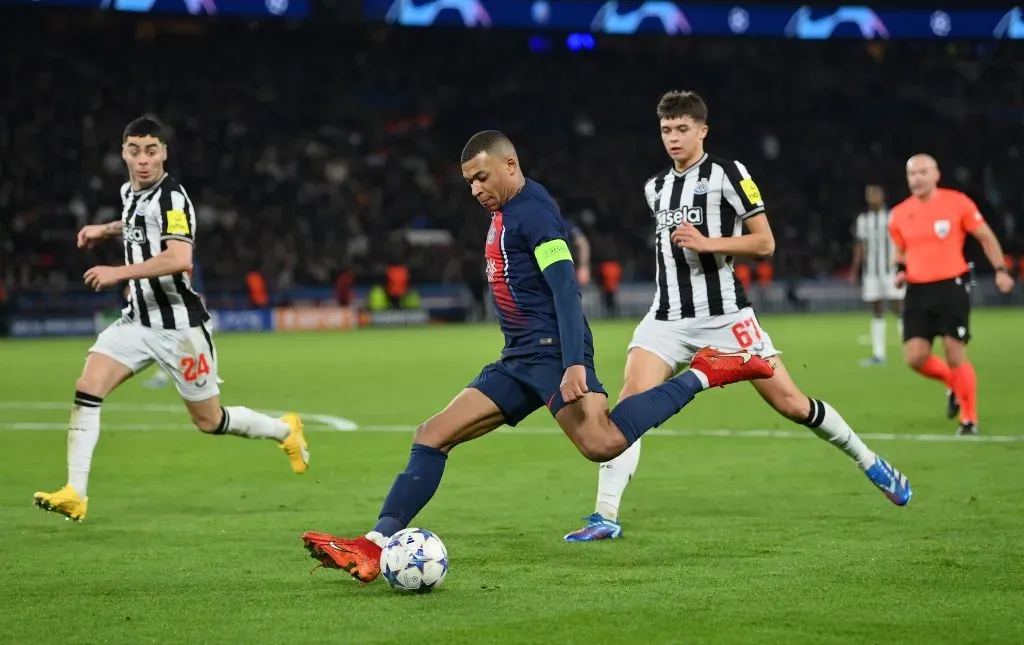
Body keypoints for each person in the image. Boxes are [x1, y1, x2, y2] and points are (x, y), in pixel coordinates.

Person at [300, 130, 774, 582]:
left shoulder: (534, 214)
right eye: (469, 181)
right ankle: (374, 543)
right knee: (432, 434)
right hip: (518, 358)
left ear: (510, 165)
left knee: (603, 444)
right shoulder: (505, 214)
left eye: (482, 177)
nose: (475, 189)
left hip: (552, 353)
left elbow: (566, 289)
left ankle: (706, 372)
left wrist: (573, 363)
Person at [564, 91, 913, 543]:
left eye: (682, 129)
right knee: (630, 406)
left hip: (727, 316)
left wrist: (709, 243)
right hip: (666, 317)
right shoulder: (656, 188)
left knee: (792, 404)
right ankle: (604, 515)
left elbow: (765, 243)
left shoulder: (730, 174)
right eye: (667, 130)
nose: (673, 138)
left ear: (702, 130)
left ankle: (869, 461)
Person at [33, 116, 309, 523]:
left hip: (180, 330)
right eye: (135, 150)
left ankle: (285, 430)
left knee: (209, 421)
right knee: (88, 387)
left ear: (164, 153)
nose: (143, 159)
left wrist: (116, 271)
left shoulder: (173, 199)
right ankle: (76, 492)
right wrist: (104, 230)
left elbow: (179, 258)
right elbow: (134, 222)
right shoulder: (130, 191)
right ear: (123, 152)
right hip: (137, 321)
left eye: (151, 150)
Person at [889, 154, 1015, 436]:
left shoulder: (957, 202)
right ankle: (954, 385)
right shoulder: (899, 214)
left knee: (955, 353)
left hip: (951, 286)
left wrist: (1000, 269)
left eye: (923, 172)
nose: (917, 178)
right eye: (912, 174)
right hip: (917, 290)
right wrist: (900, 269)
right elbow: (900, 250)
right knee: (914, 357)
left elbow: (985, 236)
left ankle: (969, 420)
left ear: (936, 174)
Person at [849, 184, 903, 366]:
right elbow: (860, 247)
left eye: (876, 194)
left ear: (882, 196)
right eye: (870, 195)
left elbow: (903, 241)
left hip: (892, 270)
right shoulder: (863, 220)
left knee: (899, 308)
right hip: (872, 272)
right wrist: (854, 271)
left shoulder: (893, 217)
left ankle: (909, 349)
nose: (873, 198)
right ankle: (879, 354)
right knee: (877, 310)